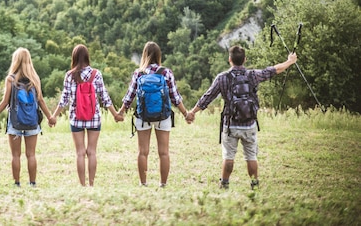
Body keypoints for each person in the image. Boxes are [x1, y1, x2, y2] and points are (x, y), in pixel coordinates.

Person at [187, 45, 297, 190]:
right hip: (250, 123)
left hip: (230, 124)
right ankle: (254, 184)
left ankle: (224, 183)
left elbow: (207, 97)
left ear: (229, 60)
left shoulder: (222, 78)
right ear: (244, 60)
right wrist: (290, 61)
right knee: (251, 156)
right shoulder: (253, 75)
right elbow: (274, 70)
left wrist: (192, 112)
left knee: (229, 156)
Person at [117, 41, 191, 188]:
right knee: (163, 152)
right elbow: (175, 97)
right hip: (163, 116)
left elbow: (129, 96)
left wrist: (120, 112)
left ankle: (143, 183)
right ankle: (163, 184)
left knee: (143, 152)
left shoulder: (138, 73)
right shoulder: (166, 72)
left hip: (143, 117)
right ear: (159, 56)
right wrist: (186, 114)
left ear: (144, 55)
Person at [49, 44, 123, 186]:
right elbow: (104, 97)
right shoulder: (96, 74)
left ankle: (82, 185)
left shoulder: (69, 75)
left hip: (76, 119)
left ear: (74, 58)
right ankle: (91, 184)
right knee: (92, 152)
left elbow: (64, 100)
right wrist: (115, 114)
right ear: (87, 57)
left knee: (80, 153)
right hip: (94, 119)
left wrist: (54, 117)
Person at [0, 48, 52, 187]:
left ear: (15, 60)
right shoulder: (35, 79)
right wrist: (50, 117)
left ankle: (17, 183)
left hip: (15, 122)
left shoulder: (10, 79)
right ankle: (32, 183)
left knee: (15, 155)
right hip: (32, 122)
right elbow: (40, 100)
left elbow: (5, 102)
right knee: (31, 154)